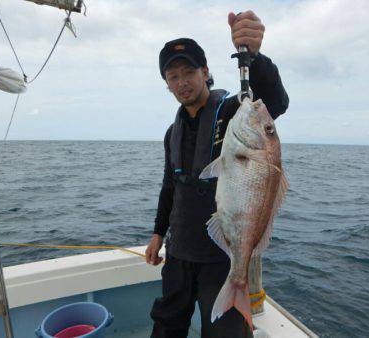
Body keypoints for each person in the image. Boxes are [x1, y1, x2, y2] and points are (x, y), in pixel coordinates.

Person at [146, 10, 289, 338]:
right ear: (166, 83)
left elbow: (275, 103)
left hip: (221, 255)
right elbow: (171, 186)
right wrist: (157, 234)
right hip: (179, 251)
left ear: (205, 72)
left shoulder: (233, 112)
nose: (182, 82)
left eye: (189, 72)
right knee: (166, 327)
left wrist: (254, 57)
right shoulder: (173, 132)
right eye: (173, 76)